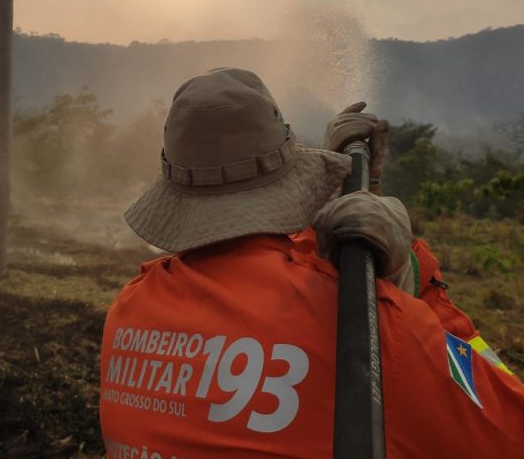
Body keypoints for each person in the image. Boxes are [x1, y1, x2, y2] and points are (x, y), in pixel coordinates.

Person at [99, 68, 523, 458]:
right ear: (289, 170)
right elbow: (509, 426)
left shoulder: (129, 309)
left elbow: (255, 267)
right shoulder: (370, 327)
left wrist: (348, 204)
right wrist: (410, 282)